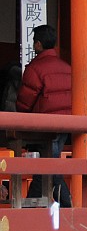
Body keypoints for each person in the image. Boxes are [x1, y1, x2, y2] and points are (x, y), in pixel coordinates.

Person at [15, 24, 72, 205]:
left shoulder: (35, 68)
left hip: (45, 126)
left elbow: (25, 101)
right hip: (66, 124)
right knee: (47, 166)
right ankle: (31, 209)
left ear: (38, 44)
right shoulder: (66, 67)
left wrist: (21, 117)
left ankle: (68, 206)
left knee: (49, 167)